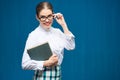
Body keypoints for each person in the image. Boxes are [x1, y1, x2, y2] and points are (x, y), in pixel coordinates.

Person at [22, 1, 75, 80]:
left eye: (49, 16)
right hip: (41, 77)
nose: (47, 20)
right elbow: (25, 64)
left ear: (53, 15)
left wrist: (63, 24)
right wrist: (46, 63)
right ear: (37, 17)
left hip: (57, 75)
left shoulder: (57, 32)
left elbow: (71, 47)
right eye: (43, 17)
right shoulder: (33, 35)